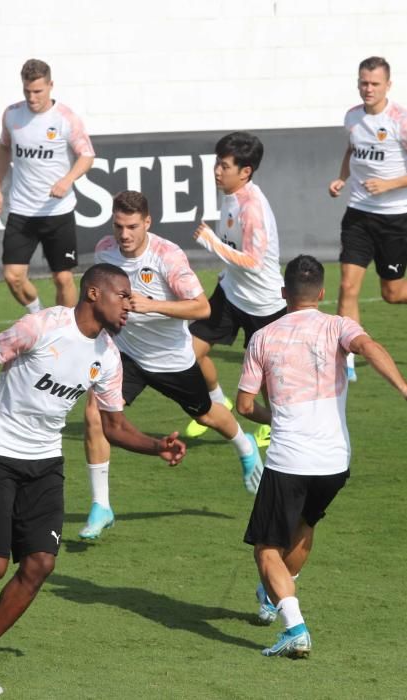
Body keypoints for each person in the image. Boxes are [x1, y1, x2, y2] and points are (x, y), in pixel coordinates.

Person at [0, 263, 186, 696]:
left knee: (40, 564)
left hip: (45, 462)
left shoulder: (109, 356)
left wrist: (157, 446)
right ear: (95, 294)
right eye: (123, 295)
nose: (129, 305)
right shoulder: (41, 327)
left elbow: (115, 427)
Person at [236, 254, 407, 658]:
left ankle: (294, 626)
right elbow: (369, 346)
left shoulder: (263, 337)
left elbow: (244, 406)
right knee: (305, 522)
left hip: (289, 460)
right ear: (323, 294)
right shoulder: (339, 326)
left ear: (283, 294)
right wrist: (402, 386)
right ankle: (277, 590)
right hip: (335, 462)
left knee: (265, 548)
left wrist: (271, 416)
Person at [79, 190, 264, 540]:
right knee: (94, 415)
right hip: (124, 355)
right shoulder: (104, 250)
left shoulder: (167, 256)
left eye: (132, 226)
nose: (124, 235)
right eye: (119, 226)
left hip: (171, 359)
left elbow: (201, 308)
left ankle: (245, 445)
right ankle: (101, 506)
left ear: (147, 223)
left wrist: (151, 306)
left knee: (207, 414)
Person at [185, 131, 286, 448]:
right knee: (188, 352)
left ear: (245, 171)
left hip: (263, 305)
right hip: (230, 294)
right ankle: (218, 401)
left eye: (224, 166)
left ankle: (277, 426)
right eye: (217, 163)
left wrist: (212, 244)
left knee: (269, 383)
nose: (217, 170)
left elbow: (254, 262)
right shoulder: (230, 193)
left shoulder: (252, 207)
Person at [0, 58, 95, 311]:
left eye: (38, 91)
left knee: (63, 278)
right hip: (22, 210)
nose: (32, 97)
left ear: (50, 86)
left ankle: (65, 331)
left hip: (57, 211)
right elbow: (4, 148)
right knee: (13, 276)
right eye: (27, 91)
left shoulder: (65, 118)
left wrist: (67, 180)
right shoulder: (12, 114)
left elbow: (87, 155)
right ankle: (38, 317)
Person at [329, 56, 407, 382]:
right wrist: (342, 178)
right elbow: (352, 150)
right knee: (347, 286)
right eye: (363, 82)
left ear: (388, 85)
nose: (368, 88)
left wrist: (389, 184)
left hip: (395, 219)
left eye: (375, 83)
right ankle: (344, 360)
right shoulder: (352, 116)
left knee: (393, 294)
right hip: (358, 214)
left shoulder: (400, 120)